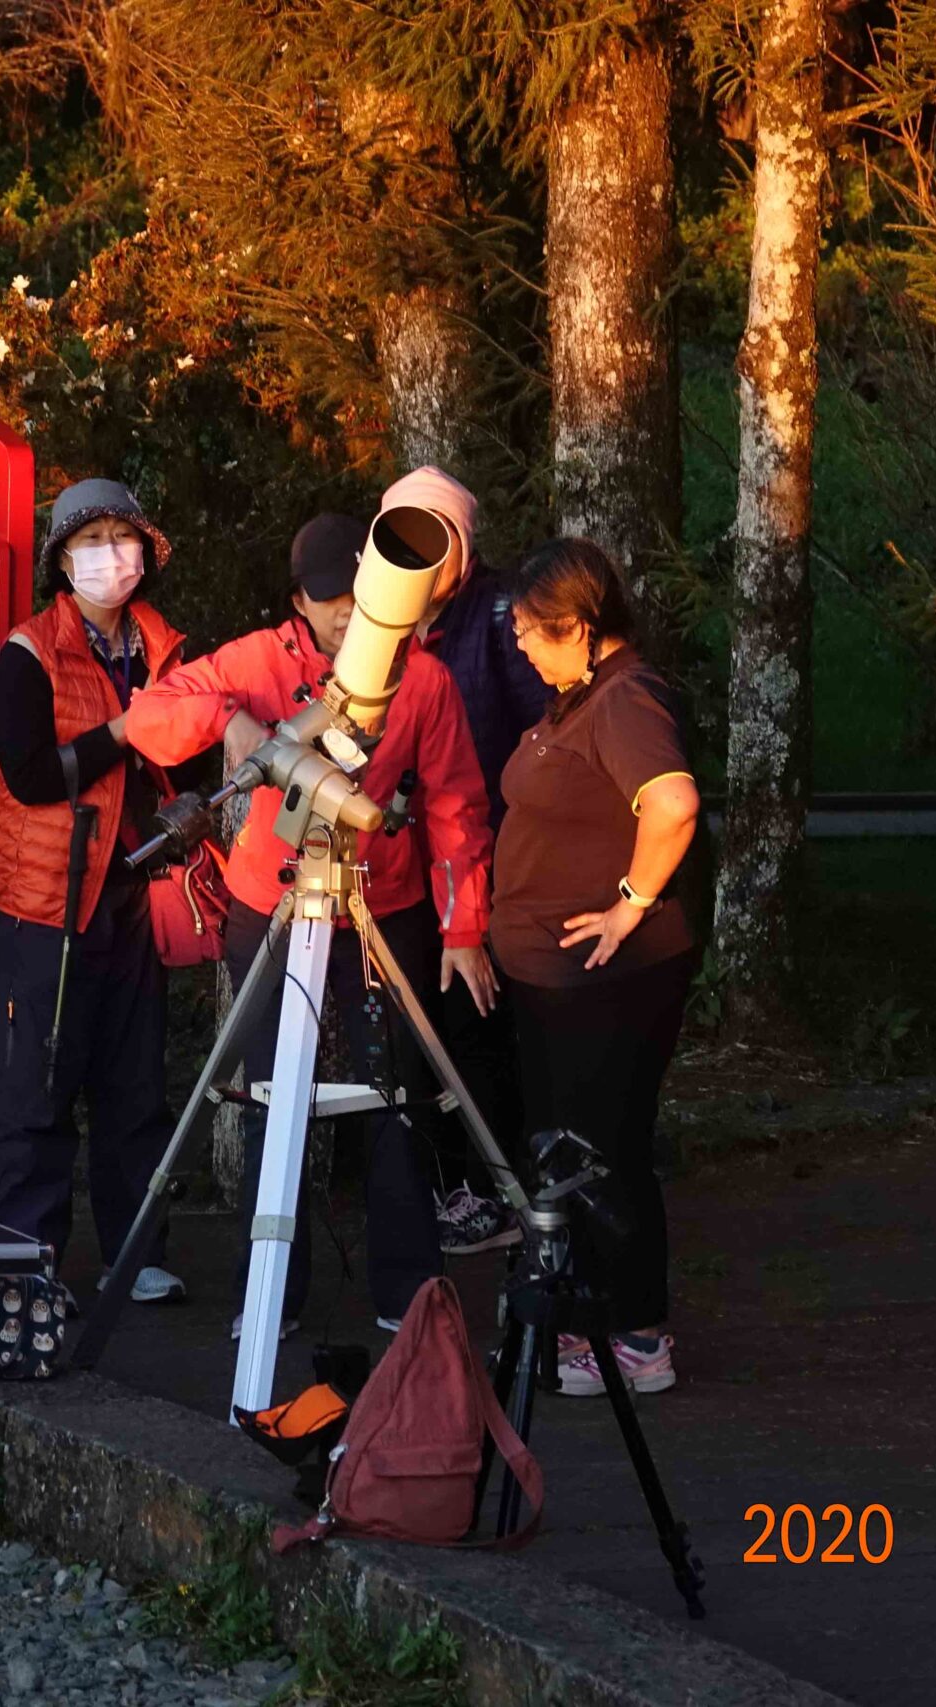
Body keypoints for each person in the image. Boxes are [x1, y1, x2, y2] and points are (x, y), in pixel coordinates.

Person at [129, 510, 495, 1337]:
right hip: (276, 897)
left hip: (382, 902)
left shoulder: (423, 681)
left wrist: (464, 922)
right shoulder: (259, 661)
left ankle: (407, 1291)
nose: (342, 615)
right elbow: (154, 713)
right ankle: (269, 1291)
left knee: (397, 1094)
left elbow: (457, 806)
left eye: (352, 599)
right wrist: (230, 723)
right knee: (272, 1094)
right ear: (298, 600)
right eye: (326, 601)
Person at [490, 537, 700, 1398]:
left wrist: (631, 901)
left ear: (581, 626)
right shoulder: (583, 695)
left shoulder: (625, 699)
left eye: (535, 634)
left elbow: (674, 802)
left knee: (601, 1146)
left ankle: (633, 1334)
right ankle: (584, 1318)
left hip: (606, 980)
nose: (522, 647)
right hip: (557, 980)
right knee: (572, 1144)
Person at [0, 479, 188, 1300]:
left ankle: (136, 1251)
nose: (112, 553)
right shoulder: (27, 652)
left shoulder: (165, 647)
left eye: (123, 536)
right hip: (49, 897)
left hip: (139, 889)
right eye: (92, 538)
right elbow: (31, 776)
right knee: (35, 1083)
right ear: (63, 560)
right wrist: (123, 732)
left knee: (135, 1081)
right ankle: (25, 1257)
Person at [394, 466, 548, 1257]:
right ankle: (443, 1184)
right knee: (422, 1026)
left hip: (480, 858)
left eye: (434, 535)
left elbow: (542, 731)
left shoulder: (496, 617)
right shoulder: (386, 623)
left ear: (462, 543)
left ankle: (491, 1190)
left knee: (474, 1023)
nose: (418, 557)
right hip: (399, 867)